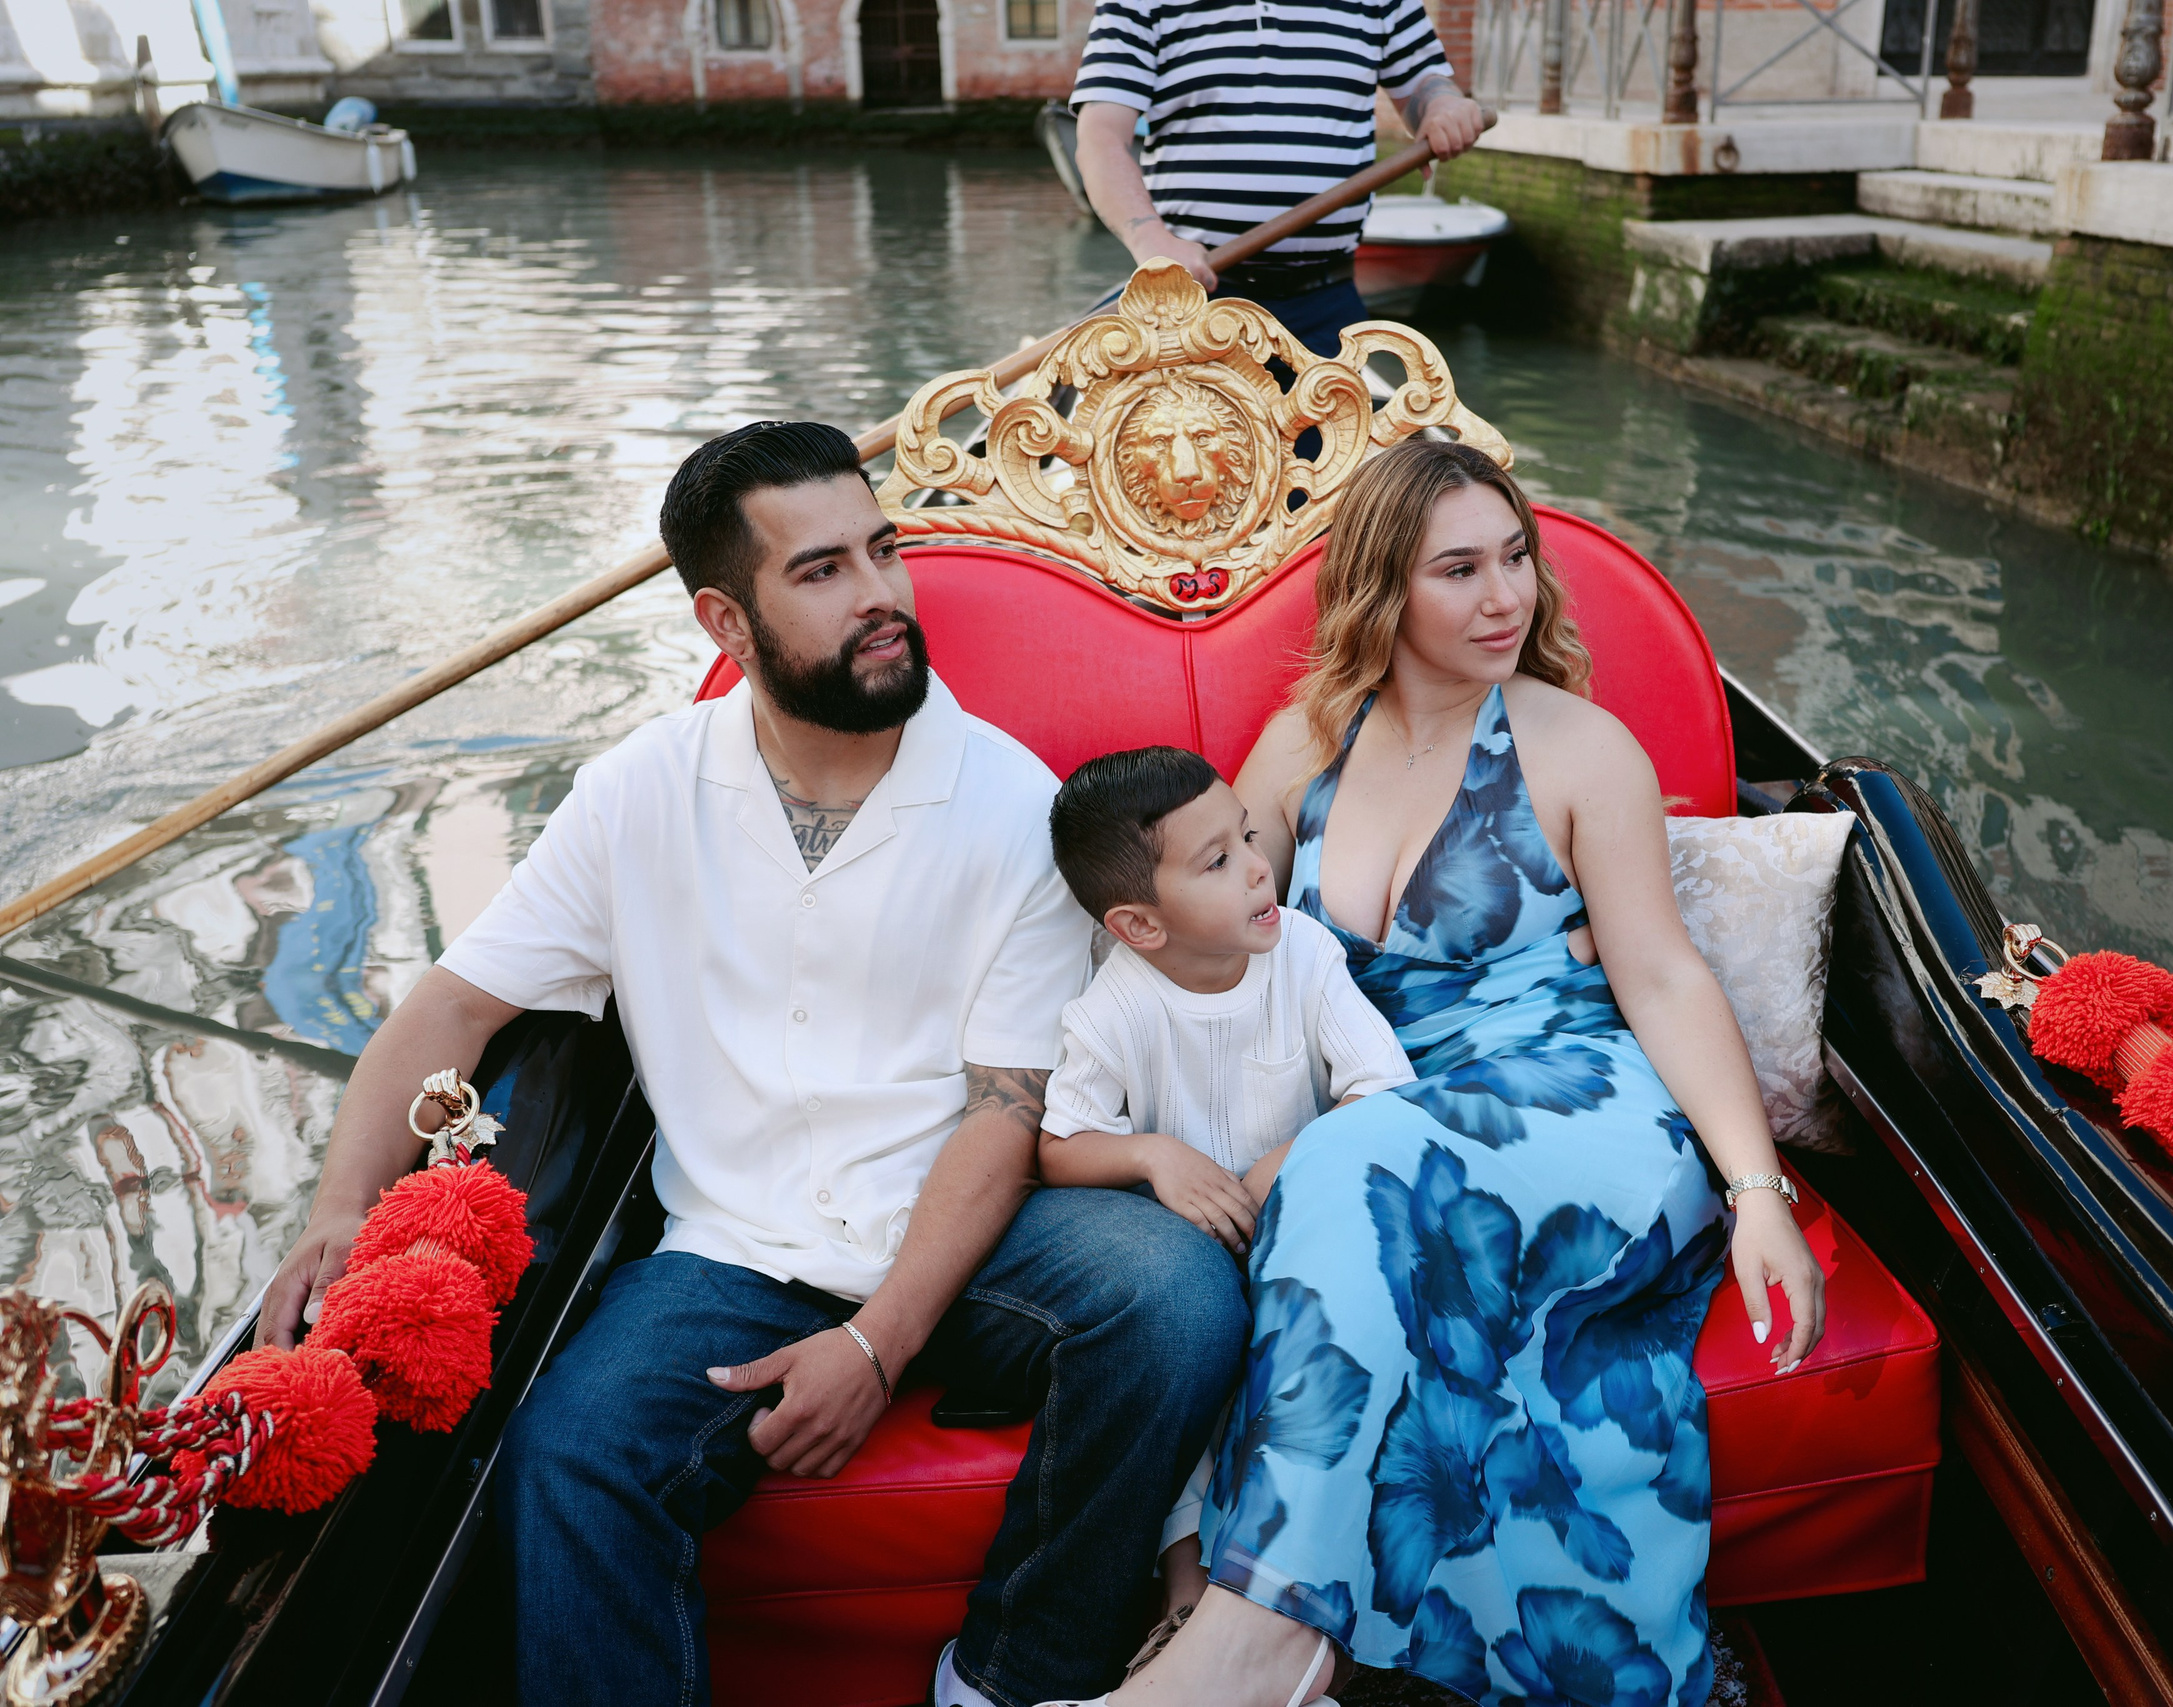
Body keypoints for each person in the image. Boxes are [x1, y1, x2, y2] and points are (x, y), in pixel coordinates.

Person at [255, 420, 1250, 1707]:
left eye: (882, 551)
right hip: (729, 1250)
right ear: (727, 622)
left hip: (969, 1233)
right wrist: (342, 1211)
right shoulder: (640, 791)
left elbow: (1005, 1115)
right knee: (572, 1456)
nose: (884, 596)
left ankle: (1010, 1679)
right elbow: (444, 1010)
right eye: (823, 571)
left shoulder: (1012, 805)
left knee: (1173, 1299)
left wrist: (878, 1346)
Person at [1047, 439, 1830, 1707]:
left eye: (1516, 557)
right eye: (1458, 569)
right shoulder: (1301, 747)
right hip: (1394, 1118)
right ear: (1381, 591)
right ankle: (1270, 1640)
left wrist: (1755, 1193)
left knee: (1346, 1156)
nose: (1504, 596)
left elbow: (1664, 977)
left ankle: (1258, 1649)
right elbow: (1201, 944)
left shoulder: (1580, 749)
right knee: (1344, 1163)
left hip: (1585, 1103)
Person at [1039, 746, 1416, 1643]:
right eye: (1217, 861)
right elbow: (1060, 1147)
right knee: (1200, 1376)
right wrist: (1154, 1156)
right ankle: (1183, 1605)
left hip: (1310, 1230)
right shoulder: (1114, 1009)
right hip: (1202, 1255)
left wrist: (1287, 1154)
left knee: (1304, 1363)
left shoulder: (1303, 953)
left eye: (1247, 835)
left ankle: (1310, 1609)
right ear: (1139, 925)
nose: (1258, 865)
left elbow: (1384, 1089)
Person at [1070, 0, 1488, 359]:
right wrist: (1152, 243)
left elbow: (1425, 86)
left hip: (1328, 309)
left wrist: (1442, 105)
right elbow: (1100, 136)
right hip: (1193, 308)